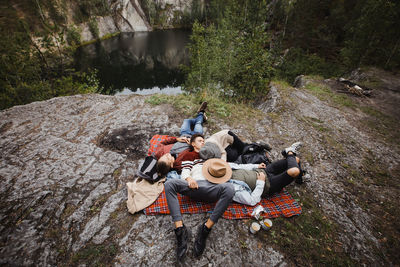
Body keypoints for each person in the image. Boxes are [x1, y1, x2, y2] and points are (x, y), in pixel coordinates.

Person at [164, 158, 235, 260]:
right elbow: (185, 172)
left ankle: (205, 228)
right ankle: (180, 230)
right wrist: (189, 179)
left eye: (203, 140)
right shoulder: (191, 160)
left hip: (213, 189)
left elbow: (236, 166)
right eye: (200, 140)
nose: (202, 142)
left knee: (230, 189)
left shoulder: (220, 164)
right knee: (169, 184)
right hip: (194, 187)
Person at [155, 102, 207, 175]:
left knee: (186, 121)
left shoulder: (159, 153)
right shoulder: (180, 165)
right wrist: (192, 145)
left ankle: (198, 118)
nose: (165, 155)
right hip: (196, 138)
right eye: (167, 158)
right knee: (198, 123)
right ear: (171, 165)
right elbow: (196, 155)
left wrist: (176, 139)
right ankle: (201, 114)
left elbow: (163, 142)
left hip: (184, 134)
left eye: (163, 156)